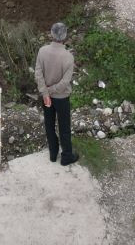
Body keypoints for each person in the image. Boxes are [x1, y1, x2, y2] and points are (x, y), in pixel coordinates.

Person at [35, 22, 77, 165]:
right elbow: (65, 83)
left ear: (51, 34)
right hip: (62, 98)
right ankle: (66, 156)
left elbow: (38, 74)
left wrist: (45, 92)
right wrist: (51, 91)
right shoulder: (68, 57)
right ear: (65, 36)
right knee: (64, 127)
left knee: (49, 125)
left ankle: (53, 154)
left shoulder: (42, 51)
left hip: (47, 97)